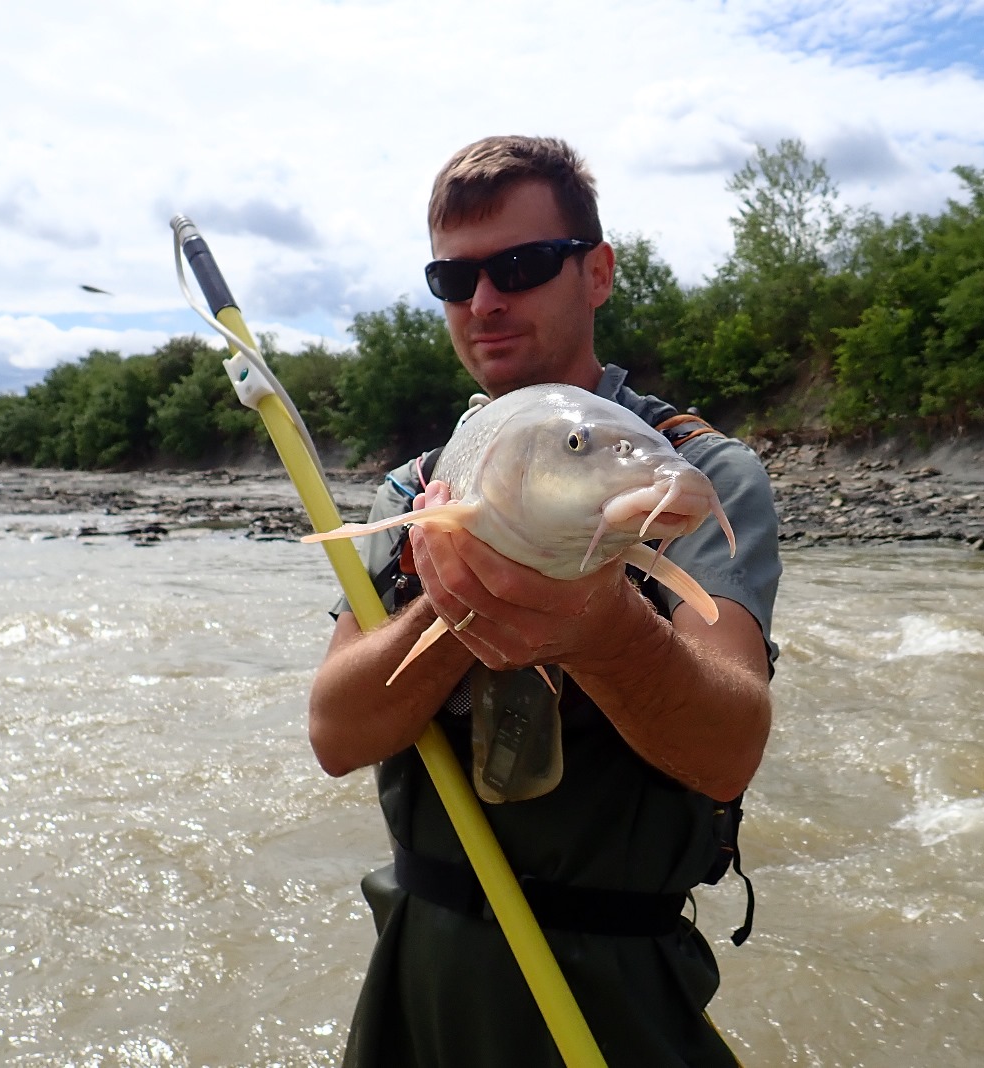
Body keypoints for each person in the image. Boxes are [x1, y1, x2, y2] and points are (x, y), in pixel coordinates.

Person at [308, 135, 781, 1067]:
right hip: (417, 959)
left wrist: (601, 626)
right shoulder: (414, 494)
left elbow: (728, 752)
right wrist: (456, 606)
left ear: (597, 272)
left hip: (616, 988)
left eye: (521, 266)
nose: (485, 302)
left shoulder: (700, 476)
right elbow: (336, 733)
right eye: (455, 278)